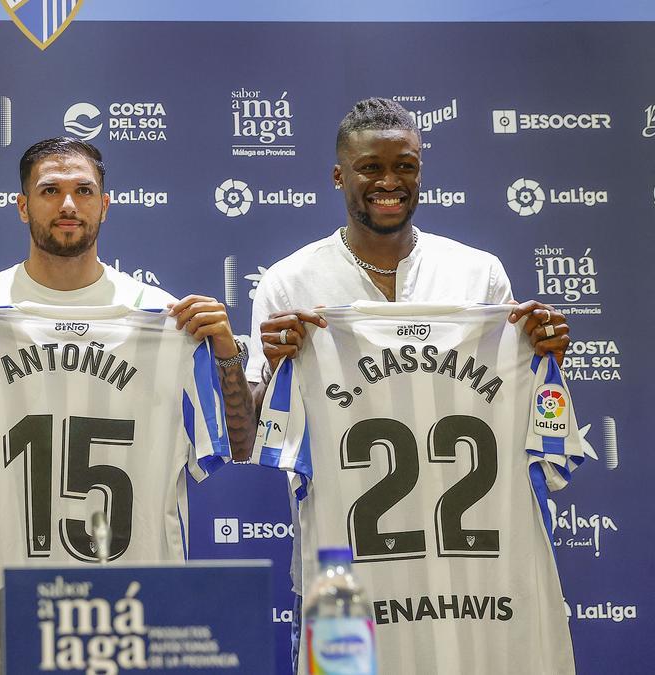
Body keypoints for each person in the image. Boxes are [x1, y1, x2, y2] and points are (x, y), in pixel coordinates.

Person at [244, 97, 572, 671]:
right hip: (344, 571)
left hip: (479, 573)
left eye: (406, 166)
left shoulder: (478, 273)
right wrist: (275, 369)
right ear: (339, 175)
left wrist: (543, 357)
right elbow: (250, 438)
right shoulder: (288, 283)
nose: (389, 181)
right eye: (371, 167)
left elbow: (527, 413)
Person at [0, 137, 255, 456]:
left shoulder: (160, 313)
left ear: (104, 207)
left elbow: (239, 447)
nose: (68, 205)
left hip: (135, 544)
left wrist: (225, 355)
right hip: (4, 543)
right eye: (50, 191)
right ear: (23, 207)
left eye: (84, 191)